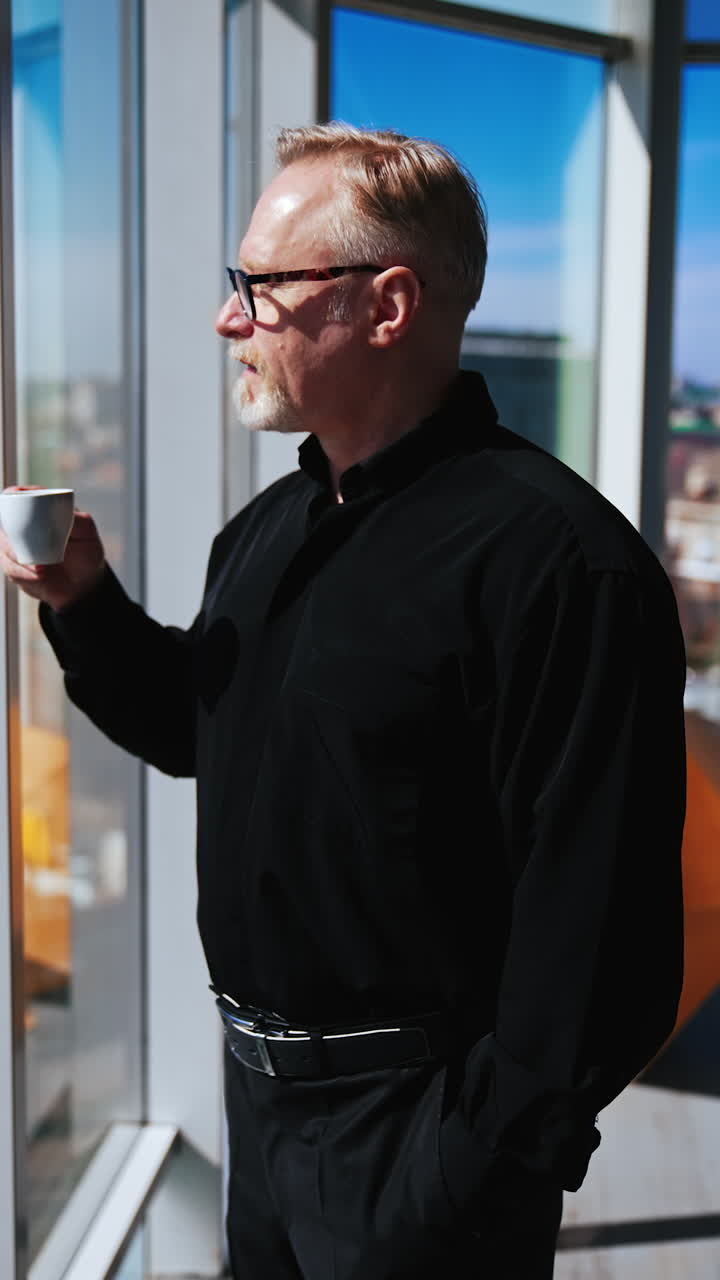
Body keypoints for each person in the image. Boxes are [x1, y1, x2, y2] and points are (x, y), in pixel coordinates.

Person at [1, 123, 686, 1279]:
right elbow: (198, 724)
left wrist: (471, 1168)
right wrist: (86, 597)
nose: (230, 320)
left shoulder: (561, 565)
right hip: (264, 1125)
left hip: (424, 1149)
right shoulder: (264, 533)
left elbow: (602, 941)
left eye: (259, 288)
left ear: (388, 304)